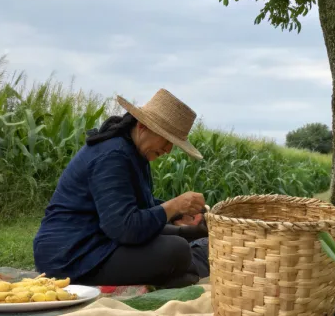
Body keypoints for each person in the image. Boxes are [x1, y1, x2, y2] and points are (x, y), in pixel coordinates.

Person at [33, 88, 209, 288]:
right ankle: (177, 275)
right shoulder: (112, 155)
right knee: (177, 250)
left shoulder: (134, 154)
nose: (168, 150)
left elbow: (141, 211)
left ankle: (176, 276)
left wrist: (187, 224)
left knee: (183, 246)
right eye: (167, 141)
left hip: (100, 241)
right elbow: (125, 229)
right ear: (143, 126)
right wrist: (173, 207)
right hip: (71, 254)